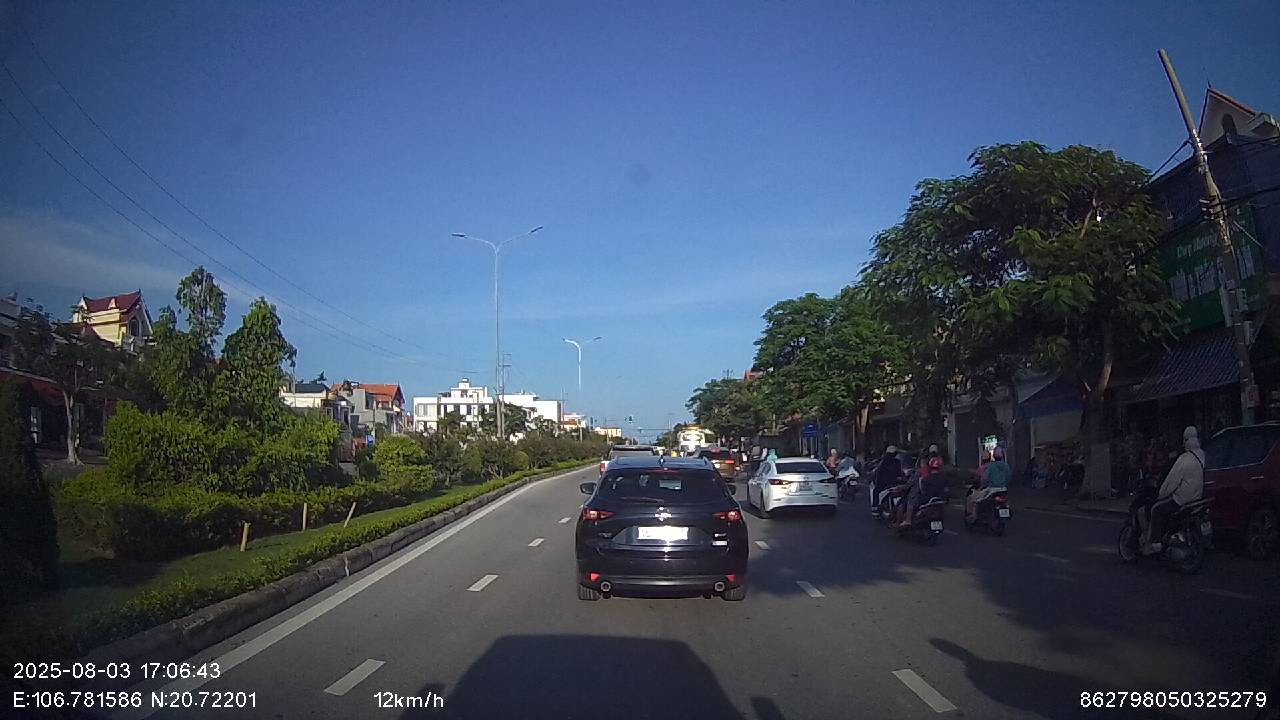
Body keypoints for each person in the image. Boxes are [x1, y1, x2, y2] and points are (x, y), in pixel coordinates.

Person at [1142, 426, 1205, 554]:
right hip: (1197, 499)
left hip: (1181, 501)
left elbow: (1171, 482)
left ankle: (1155, 545)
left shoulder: (1184, 459)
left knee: (1156, 509)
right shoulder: (1202, 455)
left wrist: (1161, 494)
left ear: (1185, 440)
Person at [967, 447, 1011, 522]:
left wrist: (983, 486)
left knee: (976, 499)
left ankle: (974, 516)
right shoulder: (1006, 466)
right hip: (1003, 489)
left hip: (991, 490)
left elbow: (985, 478)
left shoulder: (991, 466)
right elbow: (1008, 477)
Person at [871, 445, 902, 518]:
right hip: (895, 482)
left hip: (885, 483)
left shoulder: (883, 461)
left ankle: (875, 508)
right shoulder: (897, 461)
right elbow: (899, 473)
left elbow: (879, 473)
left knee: (875, 491)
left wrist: (877, 482)